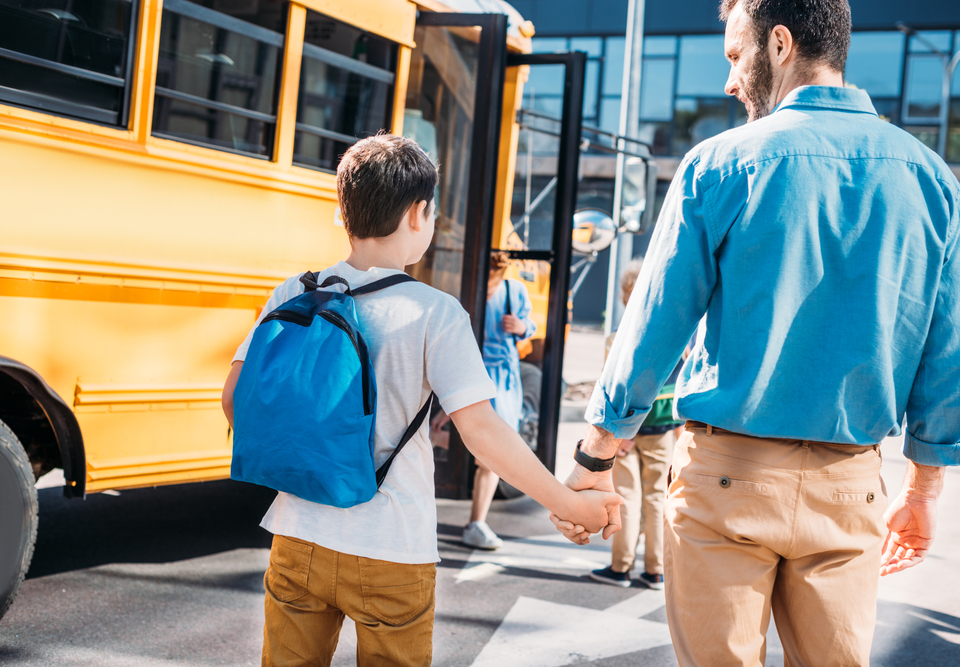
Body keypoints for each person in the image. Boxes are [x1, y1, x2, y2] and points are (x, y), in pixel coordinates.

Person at [552, 0, 960, 665]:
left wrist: (595, 457)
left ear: (778, 45)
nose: (728, 80)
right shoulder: (930, 180)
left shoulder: (718, 164)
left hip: (727, 482)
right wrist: (923, 487)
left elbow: (653, 328)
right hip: (849, 485)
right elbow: (947, 353)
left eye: (732, 55)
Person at [221, 134, 622, 667]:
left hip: (297, 533)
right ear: (418, 214)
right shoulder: (434, 312)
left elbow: (234, 399)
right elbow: (482, 434)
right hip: (391, 547)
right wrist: (568, 503)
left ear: (342, 212)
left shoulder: (295, 292)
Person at [588, 259, 684, 590]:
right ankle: (656, 570)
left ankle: (621, 567)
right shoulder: (672, 331)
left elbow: (613, 386)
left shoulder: (620, 338)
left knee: (626, 495)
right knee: (658, 497)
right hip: (661, 425)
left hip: (629, 428)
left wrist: (618, 432)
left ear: (626, 293)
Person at [433, 251, 537, 550]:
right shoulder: (468, 289)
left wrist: (521, 328)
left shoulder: (513, 290)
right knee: (454, 438)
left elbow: (529, 326)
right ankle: (475, 521)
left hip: (502, 379)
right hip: (472, 373)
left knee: (494, 454)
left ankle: (477, 522)